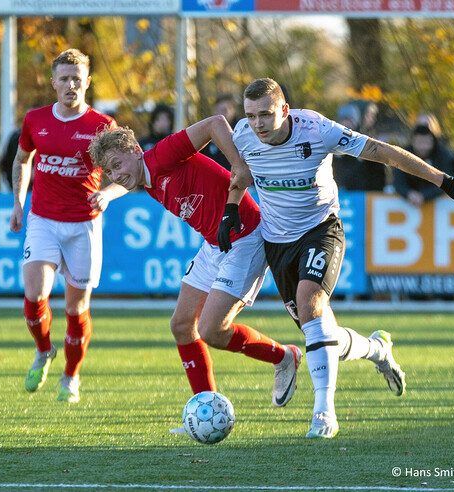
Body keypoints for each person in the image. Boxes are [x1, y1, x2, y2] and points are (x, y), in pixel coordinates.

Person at [224, 78, 454, 439]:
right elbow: (239, 173)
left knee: (310, 304)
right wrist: (231, 209)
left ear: (284, 109)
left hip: (320, 229)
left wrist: (442, 180)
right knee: (322, 334)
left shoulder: (317, 130)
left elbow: (383, 151)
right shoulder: (244, 134)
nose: (258, 123)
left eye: (266, 114)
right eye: (251, 115)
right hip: (277, 242)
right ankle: (377, 349)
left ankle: (324, 414)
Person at [88, 115, 302, 428]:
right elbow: (128, 180)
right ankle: (205, 411)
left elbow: (215, 123)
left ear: (135, 150)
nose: (115, 175)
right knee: (182, 324)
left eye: (117, 165)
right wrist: (107, 193)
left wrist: (239, 166)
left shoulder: (163, 153)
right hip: (215, 243)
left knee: (212, 330)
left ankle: (284, 357)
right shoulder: (143, 175)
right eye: (108, 171)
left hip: (246, 236)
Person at [9, 48, 127, 404]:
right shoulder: (35, 120)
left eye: (77, 78)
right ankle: (44, 350)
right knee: (35, 293)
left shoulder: (103, 127)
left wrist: (108, 193)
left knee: (75, 309)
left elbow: (130, 173)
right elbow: (22, 160)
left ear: (87, 82)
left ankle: (71, 377)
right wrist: (17, 202)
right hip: (43, 219)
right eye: (64, 78)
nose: (71, 85)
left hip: (84, 226)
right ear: (53, 83)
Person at [394, 123, 454, 206]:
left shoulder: (443, 155)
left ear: (433, 142)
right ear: (413, 141)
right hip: (409, 204)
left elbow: (448, 181)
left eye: (426, 142)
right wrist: (408, 193)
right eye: (419, 142)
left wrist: (424, 195)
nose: (423, 146)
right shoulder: (403, 155)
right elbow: (398, 181)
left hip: (439, 205)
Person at [331, 103, 387, 191]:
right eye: (343, 120)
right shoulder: (332, 143)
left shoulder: (365, 142)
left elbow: (378, 174)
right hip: (338, 194)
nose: (346, 125)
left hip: (364, 196)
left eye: (350, 121)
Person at [201, 94, 239, 170]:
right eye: (219, 110)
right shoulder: (207, 128)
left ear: (233, 110)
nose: (222, 114)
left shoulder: (240, 131)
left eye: (225, 110)